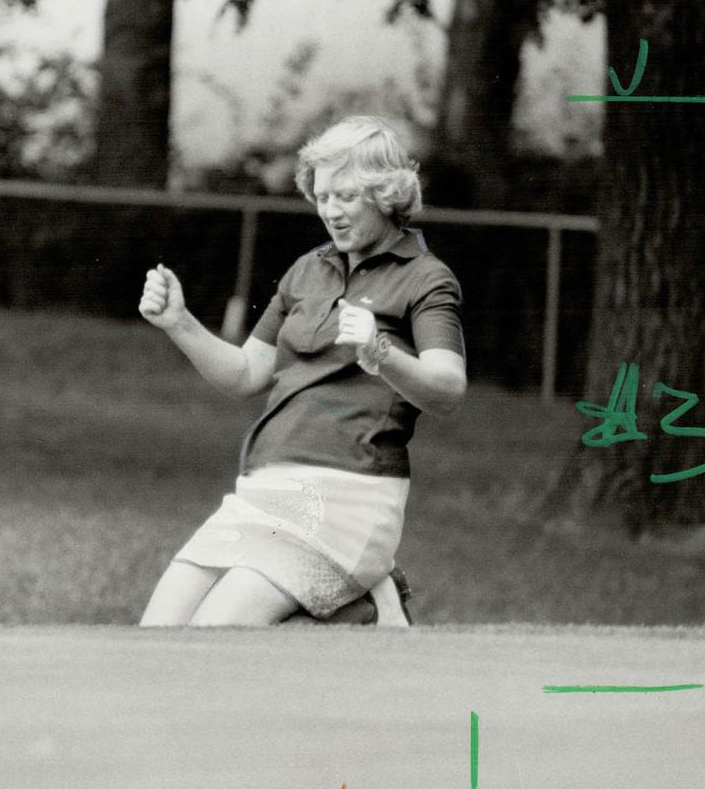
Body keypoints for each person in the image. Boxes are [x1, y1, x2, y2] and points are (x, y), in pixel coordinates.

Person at [137, 116, 467, 626]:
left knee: (213, 636)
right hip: (265, 488)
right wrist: (179, 324)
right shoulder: (307, 270)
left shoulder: (426, 278)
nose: (330, 212)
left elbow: (447, 390)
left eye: (346, 196)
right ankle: (361, 602)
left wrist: (381, 353)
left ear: (385, 193)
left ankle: (364, 599)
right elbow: (246, 373)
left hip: (349, 495)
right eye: (322, 197)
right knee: (156, 632)